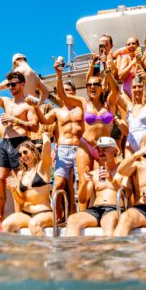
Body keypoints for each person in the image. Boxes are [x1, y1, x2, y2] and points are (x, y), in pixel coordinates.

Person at [0, 56, 38, 218]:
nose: (10, 87)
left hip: (21, 143)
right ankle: (0, 215)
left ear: (23, 84)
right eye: (9, 84)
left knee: (19, 179)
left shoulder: (27, 104)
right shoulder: (5, 101)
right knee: (0, 179)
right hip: (5, 143)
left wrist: (15, 120)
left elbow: (35, 126)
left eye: (14, 84)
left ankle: (19, 214)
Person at [55, 56, 119, 207]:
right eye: (89, 85)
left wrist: (108, 73)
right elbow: (63, 96)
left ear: (102, 87)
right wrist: (59, 75)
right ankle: (82, 215)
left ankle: (100, 211)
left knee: (101, 181)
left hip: (103, 148)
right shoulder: (83, 103)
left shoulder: (109, 103)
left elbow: (116, 90)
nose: (92, 87)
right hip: (85, 146)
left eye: (96, 84)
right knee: (84, 181)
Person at [29, 62, 83, 215]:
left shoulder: (82, 109)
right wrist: (34, 107)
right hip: (63, 150)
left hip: (80, 149)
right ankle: (57, 218)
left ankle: (81, 215)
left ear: (74, 92)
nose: (65, 93)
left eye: (68, 90)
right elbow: (43, 121)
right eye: (63, 90)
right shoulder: (57, 111)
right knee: (58, 184)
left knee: (80, 185)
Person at [66, 137, 127, 236]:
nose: (101, 152)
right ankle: (74, 251)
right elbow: (82, 199)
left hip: (114, 208)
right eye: (98, 149)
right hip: (95, 210)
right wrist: (84, 183)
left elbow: (126, 195)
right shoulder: (93, 174)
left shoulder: (122, 172)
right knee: (72, 220)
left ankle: (106, 251)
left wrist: (112, 180)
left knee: (108, 222)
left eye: (105, 148)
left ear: (114, 151)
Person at [2, 133, 53, 235]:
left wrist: (44, 133)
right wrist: (13, 190)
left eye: (25, 152)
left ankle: (43, 250)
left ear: (33, 151)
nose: (23, 156)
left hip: (44, 212)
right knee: (6, 225)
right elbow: (21, 201)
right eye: (20, 154)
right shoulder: (21, 174)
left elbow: (47, 145)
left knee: (34, 224)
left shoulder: (43, 168)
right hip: (26, 213)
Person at [117, 59, 146, 154]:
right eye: (134, 87)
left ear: (144, 88)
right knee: (129, 167)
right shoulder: (129, 105)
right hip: (130, 140)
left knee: (145, 168)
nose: (137, 89)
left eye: (140, 86)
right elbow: (116, 93)